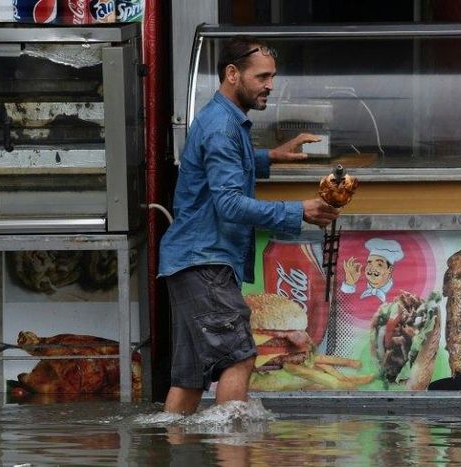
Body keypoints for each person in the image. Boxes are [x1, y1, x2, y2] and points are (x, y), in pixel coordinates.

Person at [157, 36, 340, 415]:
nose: (270, 85)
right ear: (232, 74)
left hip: (190, 261)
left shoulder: (222, 119)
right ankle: (232, 449)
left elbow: (220, 169)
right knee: (239, 358)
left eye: (272, 77)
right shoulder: (223, 128)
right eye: (262, 77)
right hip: (205, 262)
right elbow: (228, 203)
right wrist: (298, 211)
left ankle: (169, 450)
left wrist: (270, 156)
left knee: (189, 381)